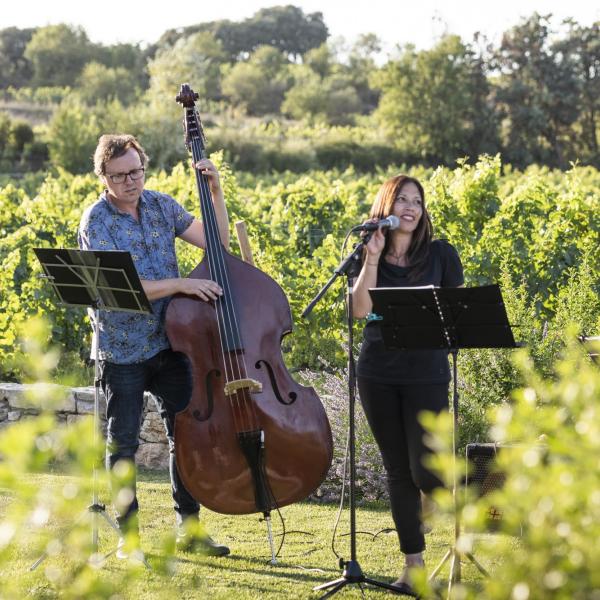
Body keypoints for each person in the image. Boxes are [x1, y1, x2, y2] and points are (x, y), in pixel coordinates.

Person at [78, 133, 231, 560]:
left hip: (171, 343)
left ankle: (190, 528)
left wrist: (215, 193)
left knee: (184, 434)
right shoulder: (97, 221)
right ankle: (130, 542)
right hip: (122, 348)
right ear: (104, 177)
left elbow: (217, 242)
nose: (130, 181)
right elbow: (119, 291)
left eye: (136, 171)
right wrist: (183, 284)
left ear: (144, 166)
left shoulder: (163, 205)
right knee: (123, 443)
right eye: (119, 175)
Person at [353, 174, 464, 593]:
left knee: (427, 471)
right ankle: (412, 567)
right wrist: (372, 259)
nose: (411, 207)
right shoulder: (370, 250)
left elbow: (457, 315)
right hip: (377, 373)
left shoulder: (440, 255)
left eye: (417, 201)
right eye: (402, 199)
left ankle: (433, 506)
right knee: (398, 471)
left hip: (426, 374)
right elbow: (360, 310)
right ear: (386, 205)